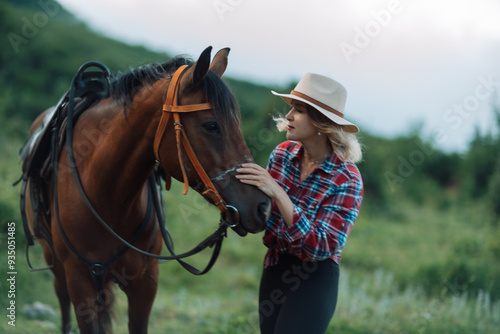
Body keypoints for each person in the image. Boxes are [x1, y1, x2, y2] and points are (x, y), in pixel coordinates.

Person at [236, 73, 364, 334]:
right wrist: (238, 204)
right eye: (292, 108)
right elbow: (267, 220)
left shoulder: (347, 178)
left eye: (300, 110)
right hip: (275, 267)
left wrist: (280, 195)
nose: (289, 116)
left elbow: (322, 246)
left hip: (314, 278)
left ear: (323, 122)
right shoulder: (282, 154)